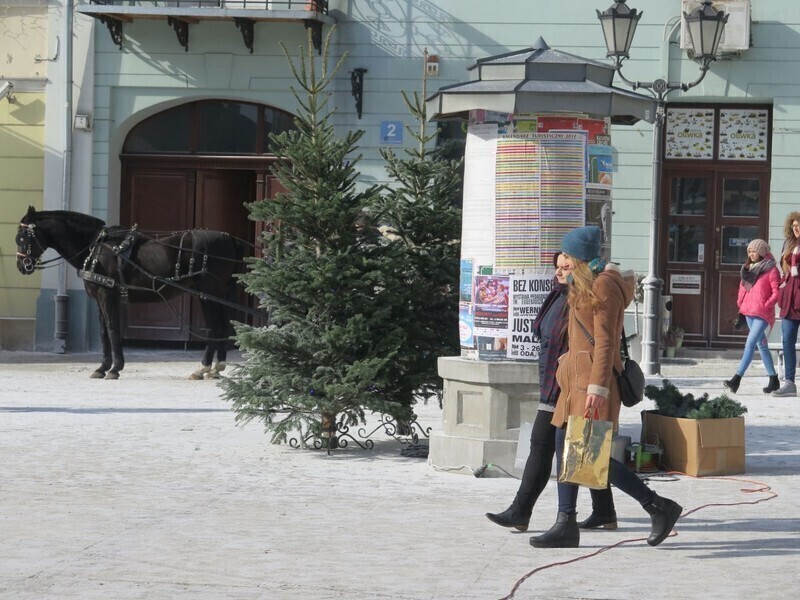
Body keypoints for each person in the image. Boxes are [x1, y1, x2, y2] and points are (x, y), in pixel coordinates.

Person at [530, 226, 682, 549]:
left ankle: (657, 505)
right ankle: (566, 522)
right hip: (573, 383)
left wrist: (597, 390)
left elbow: (605, 344)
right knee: (565, 446)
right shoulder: (582, 285)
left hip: (592, 385)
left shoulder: (603, 287)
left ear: (580, 258)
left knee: (588, 456)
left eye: (568, 256)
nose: (563, 261)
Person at [485, 252, 617, 532]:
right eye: (557, 266)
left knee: (547, 447)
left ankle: (522, 512)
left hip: (565, 386)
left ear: (578, 267)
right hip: (553, 382)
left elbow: (595, 344)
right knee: (585, 448)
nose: (559, 271)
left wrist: (588, 384)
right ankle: (605, 510)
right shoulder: (558, 294)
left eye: (565, 266)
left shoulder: (580, 298)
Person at [724, 239, 781, 394]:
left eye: (754, 251)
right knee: (762, 345)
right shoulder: (748, 268)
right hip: (748, 311)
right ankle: (774, 380)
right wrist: (740, 302)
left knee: (750, 343)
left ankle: (736, 379)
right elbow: (742, 288)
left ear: (762, 252)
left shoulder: (772, 270)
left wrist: (767, 304)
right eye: (749, 251)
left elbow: (776, 292)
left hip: (762, 314)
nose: (751, 254)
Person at [774, 212, 800, 397]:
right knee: (787, 341)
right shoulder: (788, 244)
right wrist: (782, 285)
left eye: (798, 225)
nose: (796, 228)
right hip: (789, 298)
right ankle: (789, 382)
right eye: (793, 225)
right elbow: (784, 270)